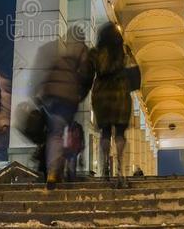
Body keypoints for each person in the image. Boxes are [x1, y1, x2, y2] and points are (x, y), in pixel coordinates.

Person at [39, 26, 93, 188]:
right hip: (69, 100)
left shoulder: (60, 55)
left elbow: (48, 76)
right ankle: (66, 167)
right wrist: (80, 96)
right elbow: (87, 78)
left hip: (53, 100)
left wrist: (43, 96)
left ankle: (52, 171)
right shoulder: (83, 57)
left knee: (55, 133)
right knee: (67, 134)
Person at [89, 22, 138, 184]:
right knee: (120, 134)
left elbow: (88, 73)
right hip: (120, 95)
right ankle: (120, 169)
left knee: (105, 132)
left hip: (101, 96)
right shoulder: (124, 50)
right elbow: (135, 72)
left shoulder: (95, 53)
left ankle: (104, 170)